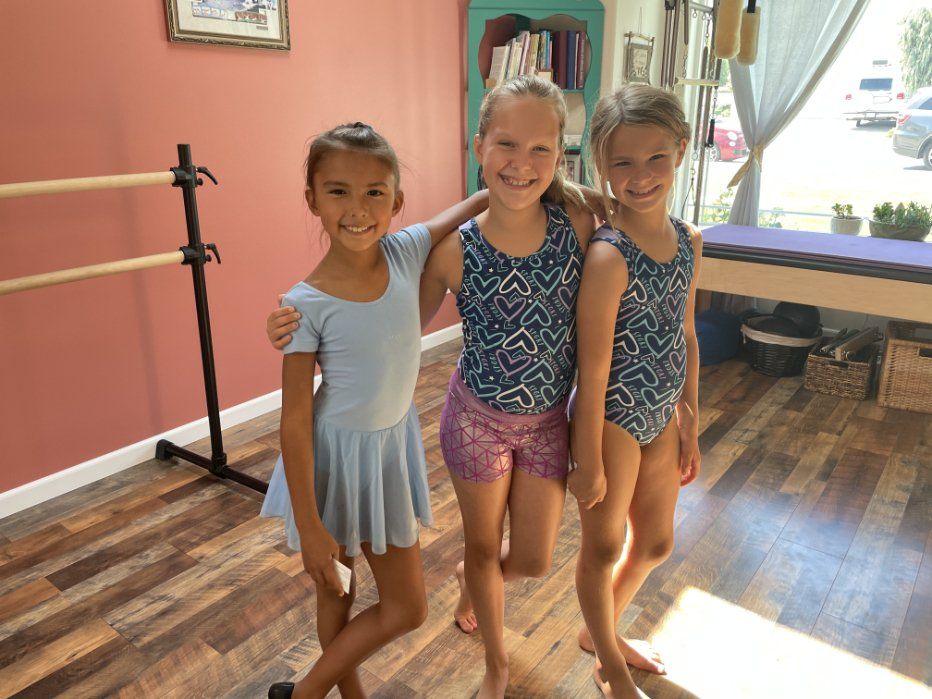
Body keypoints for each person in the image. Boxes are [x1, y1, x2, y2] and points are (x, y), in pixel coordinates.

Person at [262, 122, 487, 699]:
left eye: (374, 192)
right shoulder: (304, 303)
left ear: (397, 201)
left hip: (387, 452)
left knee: (407, 607)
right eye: (337, 191)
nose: (357, 209)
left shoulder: (408, 249)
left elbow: (473, 204)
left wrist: (544, 185)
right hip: (329, 457)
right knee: (336, 589)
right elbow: (293, 420)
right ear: (311, 198)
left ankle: (305, 691)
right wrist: (311, 528)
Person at [418, 74, 597, 698]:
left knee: (532, 561)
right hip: (474, 420)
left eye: (540, 149)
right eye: (505, 145)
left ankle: (474, 577)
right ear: (478, 147)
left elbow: (631, 208)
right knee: (480, 539)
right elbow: (394, 326)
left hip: (548, 421)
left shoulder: (576, 224)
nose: (521, 164)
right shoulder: (452, 250)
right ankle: (496, 662)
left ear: (560, 155)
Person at [567, 84, 702, 698]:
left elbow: (688, 332)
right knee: (603, 545)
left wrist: (689, 418)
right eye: (622, 162)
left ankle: (601, 632)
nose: (640, 175)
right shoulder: (608, 255)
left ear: (680, 151)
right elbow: (591, 372)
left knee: (655, 542)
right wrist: (588, 458)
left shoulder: (689, 240)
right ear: (603, 167)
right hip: (612, 417)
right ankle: (612, 670)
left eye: (656, 158)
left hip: (662, 414)